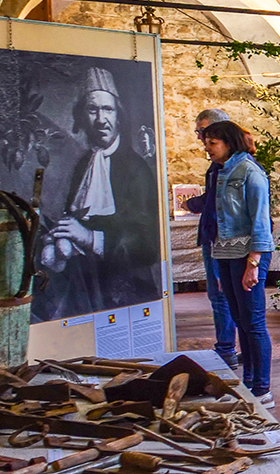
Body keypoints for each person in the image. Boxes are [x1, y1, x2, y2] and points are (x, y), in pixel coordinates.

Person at [36, 67, 160, 321]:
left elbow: (147, 246)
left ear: (118, 116)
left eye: (108, 109)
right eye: (93, 110)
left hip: (124, 287)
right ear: (82, 117)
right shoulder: (83, 164)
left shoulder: (136, 169)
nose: (101, 119)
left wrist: (90, 237)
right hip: (84, 286)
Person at [202, 120, 276, 408]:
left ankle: (263, 388)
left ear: (228, 143)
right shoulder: (221, 171)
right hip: (225, 254)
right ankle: (249, 382)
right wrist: (219, 262)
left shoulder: (250, 171)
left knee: (254, 323)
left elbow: (260, 221)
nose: (207, 149)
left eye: (212, 143)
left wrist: (253, 263)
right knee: (240, 320)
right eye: (206, 143)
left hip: (248, 255)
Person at [184, 109, 239, 370]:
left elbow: (217, 201)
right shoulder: (222, 164)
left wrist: (191, 204)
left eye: (204, 133)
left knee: (220, 295)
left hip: (220, 238)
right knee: (222, 294)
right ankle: (229, 348)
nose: (201, 140)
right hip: (216, 235)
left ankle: (226, 349)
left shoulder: (232, 166)